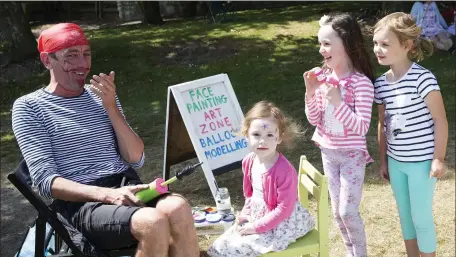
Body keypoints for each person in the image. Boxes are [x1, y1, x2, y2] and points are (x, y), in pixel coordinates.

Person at [11, 23, 199, 257]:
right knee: (152, 222)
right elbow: (47, 183)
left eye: (86, 54)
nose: (82, 64)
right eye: (71, 56)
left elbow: (136, 158)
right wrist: (106, 195)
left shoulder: (100, 94)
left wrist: (110, 107)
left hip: (124, 186)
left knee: (179, 208)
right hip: (82, 203)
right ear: (48, 60)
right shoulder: (29, 108)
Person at [373, 12, 448, 257]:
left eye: (385, 44)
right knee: (405, 217)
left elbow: (440, 119)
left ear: (406, 45)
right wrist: (384, 159)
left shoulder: (423, 79)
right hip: (396, 163)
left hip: (422, 164)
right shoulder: (380, 84)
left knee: (421, 217)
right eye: (375, 43)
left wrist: (438, 158)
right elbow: (382, 124)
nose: (378, 49)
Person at [304, 13, 375, 257]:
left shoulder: (361, 84)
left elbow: (361, 127)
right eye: (319, 43)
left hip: (352, 156)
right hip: (328, 152)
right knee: (336, 211)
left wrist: (337, 102)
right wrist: (311, 92)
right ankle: (350, 253)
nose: (321, 49)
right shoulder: (324, 78)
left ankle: (360, 254)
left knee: (347, 211)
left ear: (345, 43)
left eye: (326, 43)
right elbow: (314, 119)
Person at [207, 101, 315, 257]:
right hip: (259, 217)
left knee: (234, 251)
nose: (262, 141)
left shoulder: (284, 171)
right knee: (218, 246)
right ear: (246, 135)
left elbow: (284, 209)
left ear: (279, 138)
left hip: (282, 225)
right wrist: (245, 213)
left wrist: (256, 227)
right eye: (256, 135)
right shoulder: (249, 161)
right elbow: (250, 196)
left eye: (269, 135)